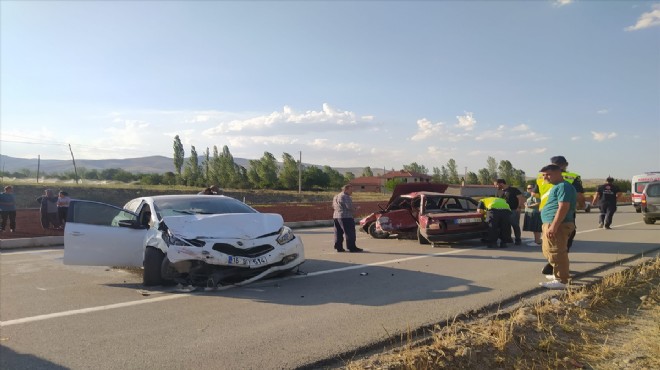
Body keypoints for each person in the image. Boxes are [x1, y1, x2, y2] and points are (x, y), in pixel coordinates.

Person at [535, 155, 584, 275]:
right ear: (565, 165)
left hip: (547, 212)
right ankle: (558, 268)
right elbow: (579, 196)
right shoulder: (572, 177)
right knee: (562, 243)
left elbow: (535, 195)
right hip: (559, 213)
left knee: (553, 243)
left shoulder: (540, 177)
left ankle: (558, 270)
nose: (546, 177)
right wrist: (581, 205)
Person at [538, 164, 577, 289]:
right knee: (548, 251)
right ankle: (557, 274)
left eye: (548, 174)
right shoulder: (557, 187)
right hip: (550, 223)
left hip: (559, 225)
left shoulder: (564, 186)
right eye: (543, 175)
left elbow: (563, 206)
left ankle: (562, 280)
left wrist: (554, 226)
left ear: (558, 173)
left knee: (557, 251)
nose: (545, 178)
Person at [332, 184, 362, 253]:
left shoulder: (336, 196)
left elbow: (333, 206)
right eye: (351, 190)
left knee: (338, 232)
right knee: (350, 233)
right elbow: (349, 207)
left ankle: (338, 247)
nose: (352, 191)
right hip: (346, 217)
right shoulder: (346, 196)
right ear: (346, 189)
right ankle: (352, 247)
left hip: (336, 216)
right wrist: (356, 208)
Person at [495, 179, 525, 245]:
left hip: (513, 210)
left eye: (496, 185)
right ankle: (508, 238)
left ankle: (518, 239)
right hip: (503, 211)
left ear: (501, 183)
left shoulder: (514, 190)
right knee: (505, 225)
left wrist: (519, 207)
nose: (496, 186)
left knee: (515, 225)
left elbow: (520, 198)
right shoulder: (499, 192)